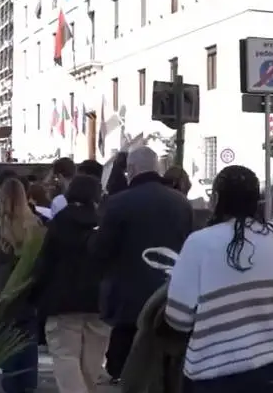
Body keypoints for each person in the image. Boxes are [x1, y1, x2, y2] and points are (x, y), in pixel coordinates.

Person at [165, 165, 273, 392]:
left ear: (215, 199)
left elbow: (178, 318)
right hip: (268, 365)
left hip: (213, 370)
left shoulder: (199, 243)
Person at [91, 146, 195, 383]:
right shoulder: (181, 203)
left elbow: (101, 250)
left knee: (127, 367)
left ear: (131, 169)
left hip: (127, 298)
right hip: (169, 296)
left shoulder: (118, 203)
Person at [28, 174, 109, 393]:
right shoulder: (103, 223)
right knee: (92, 360)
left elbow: (45, 263)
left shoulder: (59, 223)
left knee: (65, 355)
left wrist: (35, 295)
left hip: (61, 299)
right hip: (98, 300)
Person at [0, 177, 46, 393]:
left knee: (3, 343)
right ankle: (27, 384)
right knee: (28, 339)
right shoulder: (36, 225)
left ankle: (9, 383)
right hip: (27, 290)